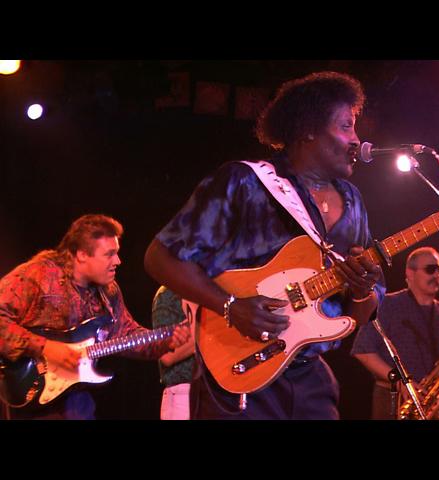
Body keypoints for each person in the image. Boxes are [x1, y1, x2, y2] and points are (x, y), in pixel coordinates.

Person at [144, 71, 385, 420]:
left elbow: (357, 317)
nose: (356, 140)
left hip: (310, 378)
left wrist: (363, 291)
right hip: (241, 371)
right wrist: (230, 306)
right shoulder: (245, 182)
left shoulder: (353, 202)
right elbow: (160, 258)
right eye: (346, 126)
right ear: (308, 129)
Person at [0, 214, 190, 420]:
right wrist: (45, 347)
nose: (118, 261)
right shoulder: (38, 274)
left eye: (116, 253)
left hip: (77, 397)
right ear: (82, 254)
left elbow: (127, 334)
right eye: (109, 254)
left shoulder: (109, 290)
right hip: (31, 388)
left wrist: (166, 341)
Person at [351, 246, 439, 420]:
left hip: (429, 402)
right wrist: (402, 383)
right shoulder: (387, 304)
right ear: (410, 272)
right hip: (392, 400)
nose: (437, 275)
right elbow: (363, 351)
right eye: (430, 269)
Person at [151, 286, 196, 420]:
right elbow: (166, 355)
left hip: (216, 394)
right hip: (184, 396)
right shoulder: (168, 294)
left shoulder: (217, 287)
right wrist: (211, 330)